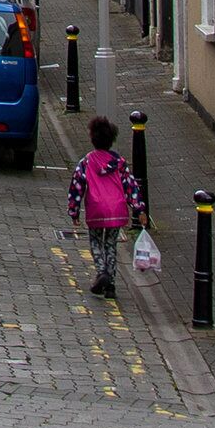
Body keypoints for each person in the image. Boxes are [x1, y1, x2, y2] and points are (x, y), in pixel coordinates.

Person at [67, 114, 145, 298]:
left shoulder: (86, 162)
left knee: (95, 241)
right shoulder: (119, 163)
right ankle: (111, 285)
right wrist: (139, 208)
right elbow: (131, 186)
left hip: (96, 209)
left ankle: (101, 272)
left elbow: (76, 187)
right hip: (117, 209)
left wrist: (74, 211)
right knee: (111, 245)